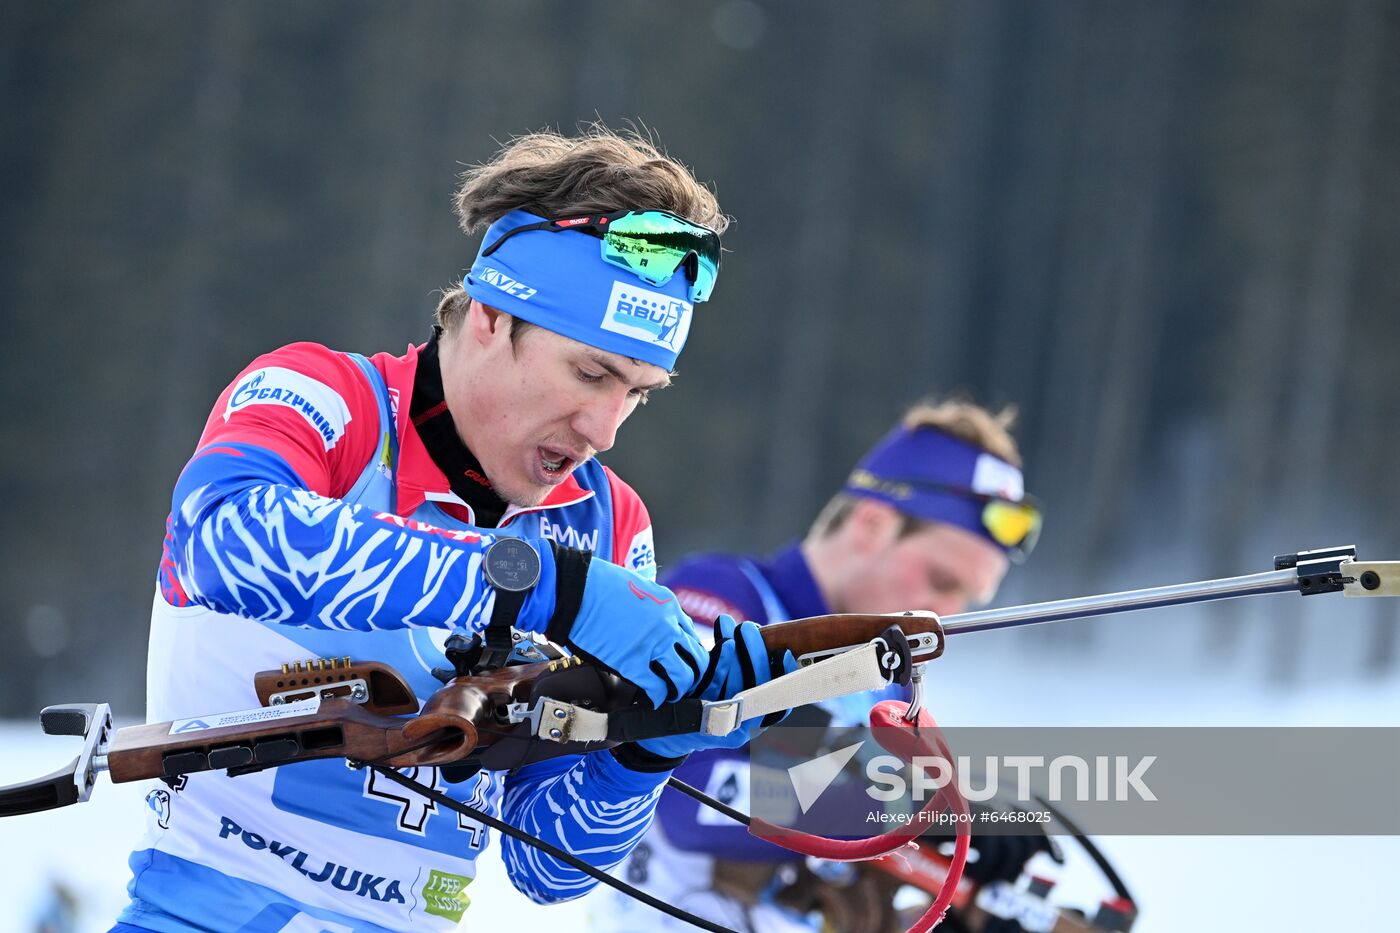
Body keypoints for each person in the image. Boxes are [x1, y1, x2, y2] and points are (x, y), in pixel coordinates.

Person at [111, 127, 791, 933]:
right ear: (493, 316)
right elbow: (224, 541)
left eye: (639, 392)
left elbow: (546, 865)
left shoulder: (609, 523)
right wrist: (538, 586)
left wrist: (651, 743)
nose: (606, 429)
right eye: (590, 372)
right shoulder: (328, 399)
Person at [596, 400, 1047, 933]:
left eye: (967, 598)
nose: (946, 615)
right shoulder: (723, 600)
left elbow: (841, 872)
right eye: (942, 581)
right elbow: (686, 791)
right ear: (872, 525)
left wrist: (949, 904)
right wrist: (911, 805)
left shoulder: (892, 683)